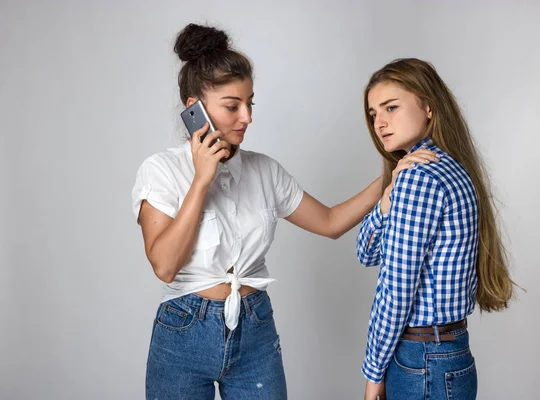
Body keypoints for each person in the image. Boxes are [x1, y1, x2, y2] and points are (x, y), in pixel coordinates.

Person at [131, 25, 438, 399]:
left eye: (250, 104)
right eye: (232, 106)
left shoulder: (264, 170)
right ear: (194, 109)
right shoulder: (160, 171)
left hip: (254, 327)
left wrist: (390, 176)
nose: (246, 117)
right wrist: (201, 181)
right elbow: (164, 265)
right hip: (183, 332)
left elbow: (330, 223)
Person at [356, 58, 516, 400]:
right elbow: (366, 252)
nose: (380, 122)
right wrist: (386, 200)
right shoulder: (450, 167)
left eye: (391, 107)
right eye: (373, 114)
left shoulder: (420, 177)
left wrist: (373, 375)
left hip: (422, 360)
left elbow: (396, 291)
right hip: (449, 354)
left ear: (428, 106)